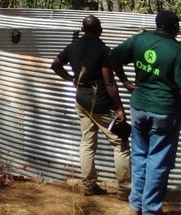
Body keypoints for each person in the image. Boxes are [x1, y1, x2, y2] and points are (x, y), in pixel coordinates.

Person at [109, 10, 181, 215]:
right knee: (158, 160)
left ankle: (135, 206)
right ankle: (150, 209)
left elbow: (112, 57)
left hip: (139, 107)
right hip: (165, 111)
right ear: (172, 27)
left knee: (140, 156)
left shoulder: (139, 40)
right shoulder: (176, 51)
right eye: (177, 25)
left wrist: (124, 81)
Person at [50, 15, 131, 198]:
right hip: (100, 102)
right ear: (98, 30)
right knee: (120, 143)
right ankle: (125, 190)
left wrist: (72, 79)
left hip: (81, 101)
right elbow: (109, 82)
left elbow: (55, 65)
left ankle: (88, 186)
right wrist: (119, 107)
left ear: (82, 29)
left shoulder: (73, 47)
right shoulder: (103, 50)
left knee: (87, 142)